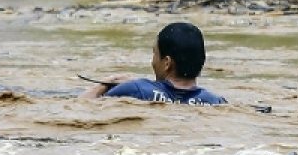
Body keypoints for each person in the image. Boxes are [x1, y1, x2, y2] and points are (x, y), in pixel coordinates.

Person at [82, 22, 226, 104]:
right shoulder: (215, 102)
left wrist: (107, 83)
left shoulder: (136, 90)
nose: (152, 62)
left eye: (155, 54)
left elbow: (82, 106)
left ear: (167, 63)